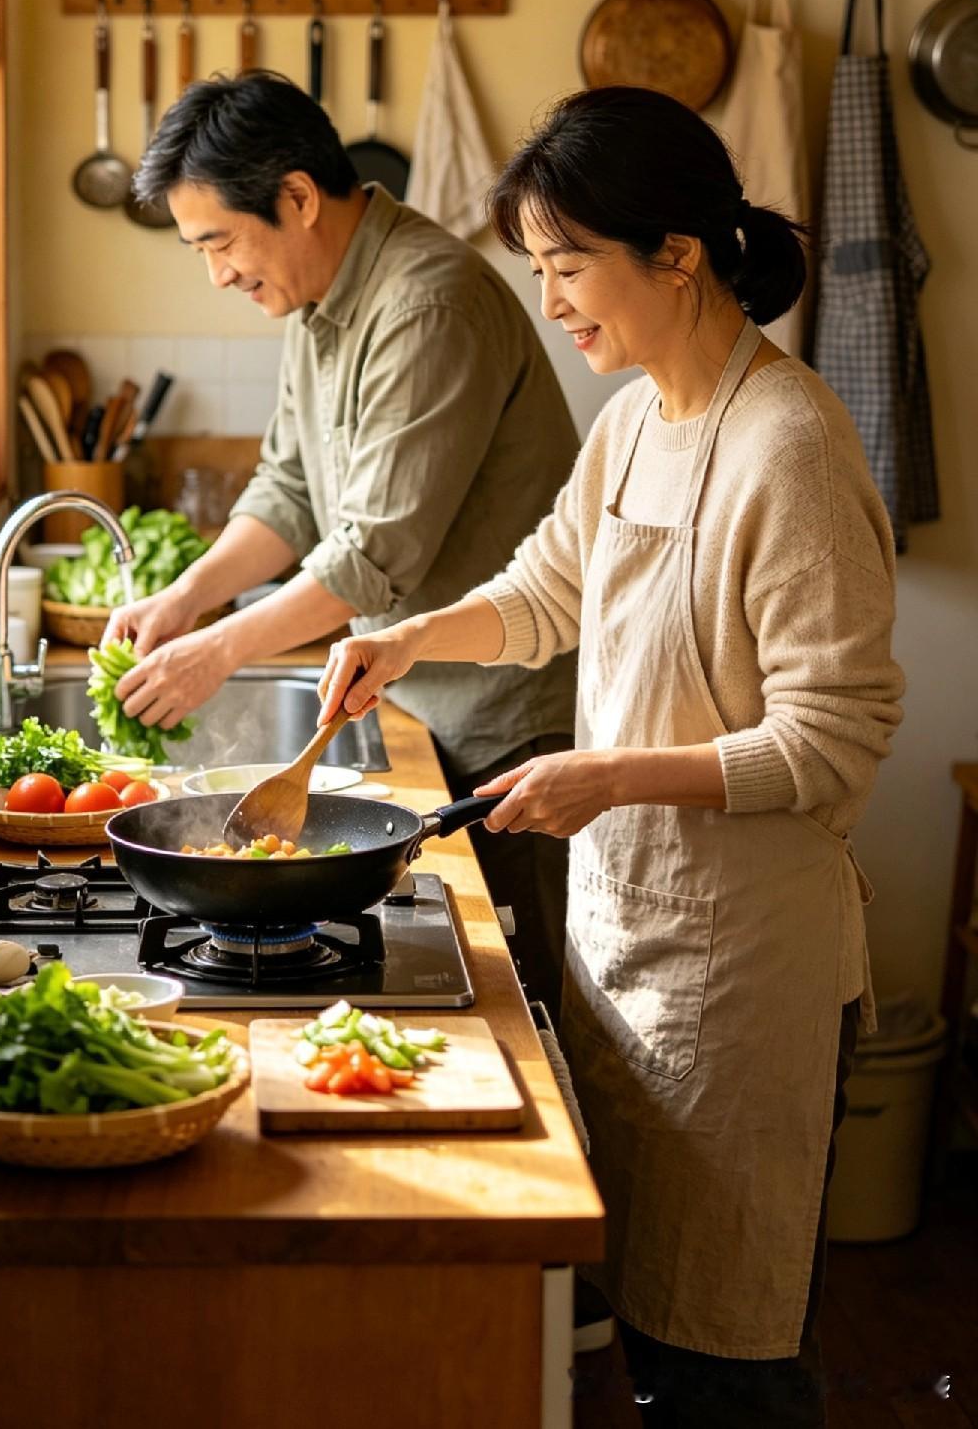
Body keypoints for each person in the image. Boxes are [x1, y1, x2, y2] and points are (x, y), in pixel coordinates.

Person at [318, 86, 904, 1427]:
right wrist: (412, 636)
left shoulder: (792, 446)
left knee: (730, 1361)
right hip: (632, 935)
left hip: (748, 970)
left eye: (568, 266)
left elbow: (833, 742)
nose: (554, 302)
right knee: (651, 1334)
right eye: (540, 271)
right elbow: (547, 590)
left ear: (678, 256)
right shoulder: (639, 415)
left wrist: (611, 774)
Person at [104, 71, 578, 1010]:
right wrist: (188, 598)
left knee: (521, 1006)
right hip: (427, 698)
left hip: (509, 720)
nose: (219, 273)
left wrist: (219, 650)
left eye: (220, 242)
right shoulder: (320, 299)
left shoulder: (426, 306)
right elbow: (287, 491)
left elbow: (370, 556)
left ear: (297, 198)